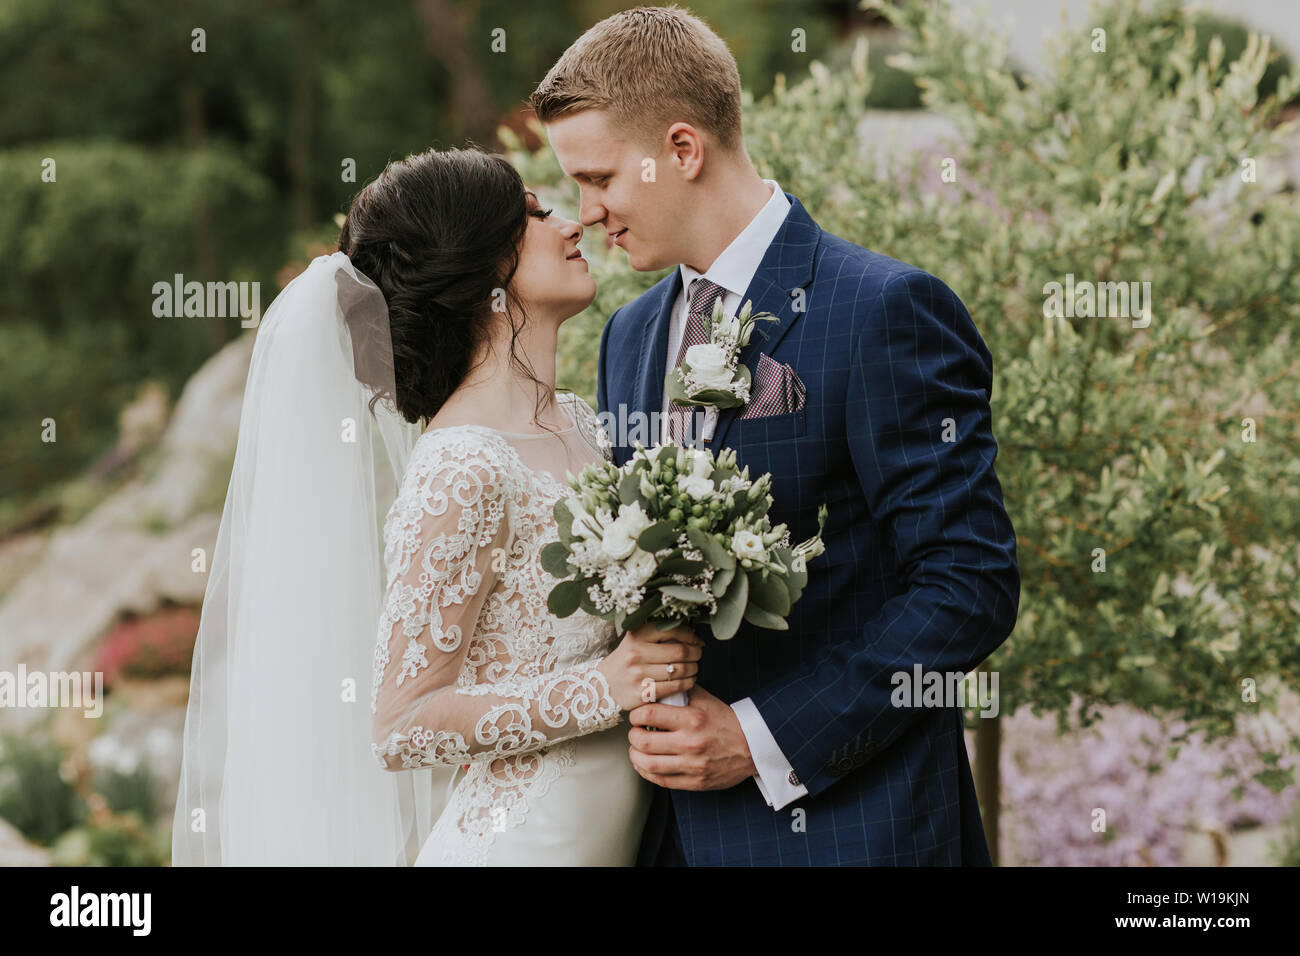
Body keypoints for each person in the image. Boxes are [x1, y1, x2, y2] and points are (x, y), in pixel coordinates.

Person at [530, 5, 1021, 866]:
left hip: (852, 832)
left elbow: (969, 584)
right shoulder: (630, 334)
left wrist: (761, 738)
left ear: (683, 150)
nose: (588, 211)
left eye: (600, 177)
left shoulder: (883, 311)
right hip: (664, 835)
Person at [172, 147, 699, 866]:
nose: (571, 223)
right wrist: (601, 687)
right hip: (523, 847)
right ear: (484, 271)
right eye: (535, 214)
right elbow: (401, 724)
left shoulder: (581, 422)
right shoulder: (463, 465)